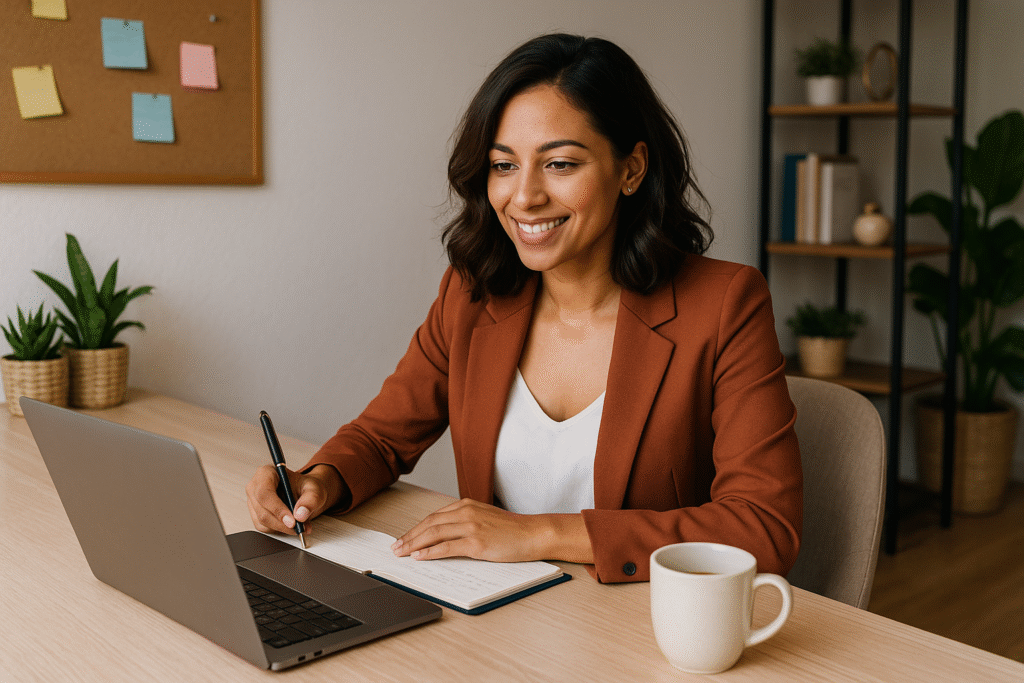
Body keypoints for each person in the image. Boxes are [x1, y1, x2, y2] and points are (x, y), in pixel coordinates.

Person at [246, 33, 801, 583]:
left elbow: (764, 525)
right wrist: (318, 481)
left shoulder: (726, 304)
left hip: (641, 632)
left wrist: (540, 533)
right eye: (503, 165)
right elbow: (381, 438)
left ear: (631, 169)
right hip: (501, 621)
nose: (524, 197)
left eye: (559, 164)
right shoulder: (470, 295)